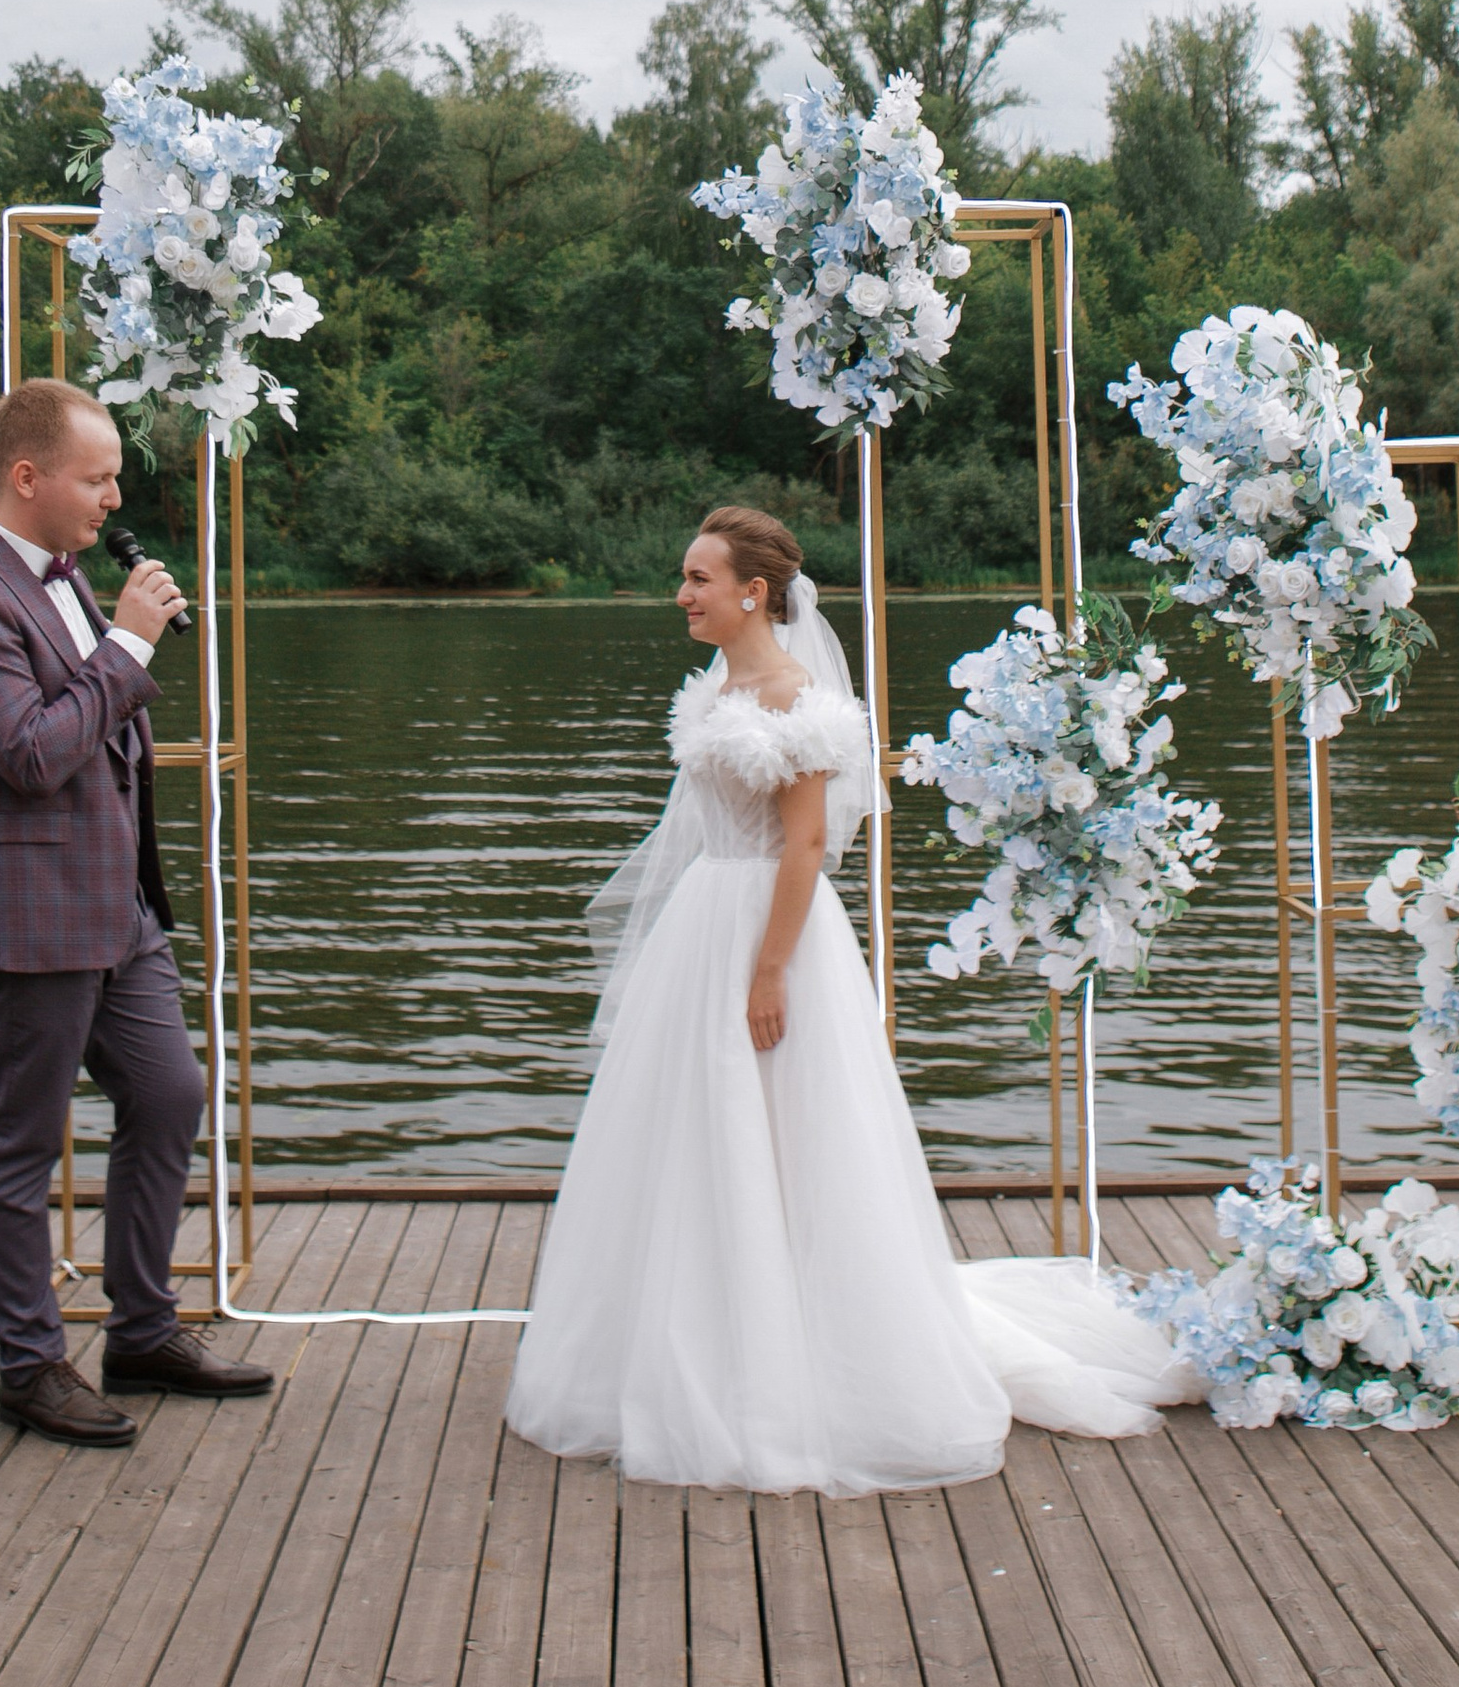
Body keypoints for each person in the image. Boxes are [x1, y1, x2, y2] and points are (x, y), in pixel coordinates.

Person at [503, 504, 1197, 1495]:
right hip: (704, 924)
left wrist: (770, 970)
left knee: (791, 1125)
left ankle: (800, 1355)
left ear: (753, 591)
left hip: (772, 930)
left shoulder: (800, 702)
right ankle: (680, 1335)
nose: (683, 593)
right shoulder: (711, 692)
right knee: (689, 1131)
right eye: (684, 576)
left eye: (699, 578)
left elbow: (807, 845)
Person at [0, 377, 276, 1446]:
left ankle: (142, 1329)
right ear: (28, 478)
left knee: (167, 1096)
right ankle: (29, 1368)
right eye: (97, 477)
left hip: (113, 907)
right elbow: (29, 754)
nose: (114, 498)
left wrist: (116, 642)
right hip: (25, 911)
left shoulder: (62, 578)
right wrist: (128, 647)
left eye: (115, 477)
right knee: (19, 1144)